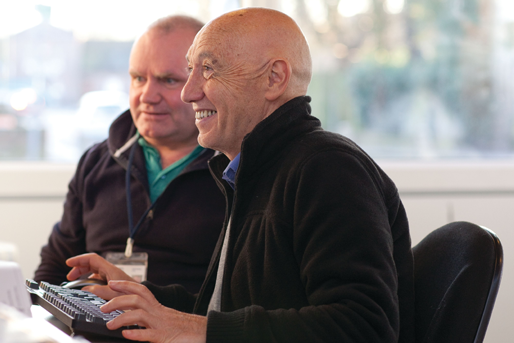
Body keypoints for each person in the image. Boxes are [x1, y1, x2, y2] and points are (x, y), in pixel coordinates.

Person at [64, 8, 415, 343]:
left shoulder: (329, 169)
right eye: (190, 70)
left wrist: (199, 331)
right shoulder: (246, 171)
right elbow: (223, 314)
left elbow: (364, 326)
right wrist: (141, 297)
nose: (189, 92)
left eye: (209, 70)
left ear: (274, 78)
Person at [34, 15, 226, 293]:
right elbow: (53, 269)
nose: (147, 95)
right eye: (138, 78)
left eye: (169, 80)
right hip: (94, 330)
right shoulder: (97, 162)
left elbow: (235, 302)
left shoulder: (234, 169)